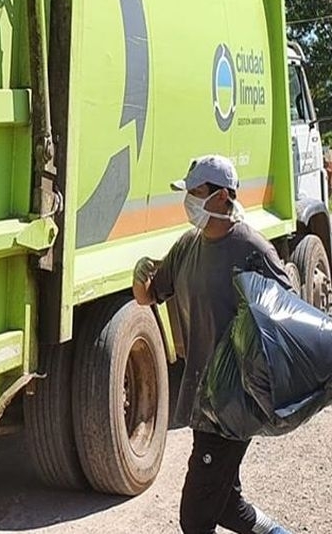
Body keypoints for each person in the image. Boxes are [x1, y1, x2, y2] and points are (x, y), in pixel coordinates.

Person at [132, 155, 292, 534]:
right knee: (226, 504)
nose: (188, 199)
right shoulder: (189, 246)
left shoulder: (251, 249)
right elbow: (149, 295)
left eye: (195, 192)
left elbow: (287, 315)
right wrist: (139, 277)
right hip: (203, 397)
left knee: (195, 517)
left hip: (235, 403)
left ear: (222, 197)